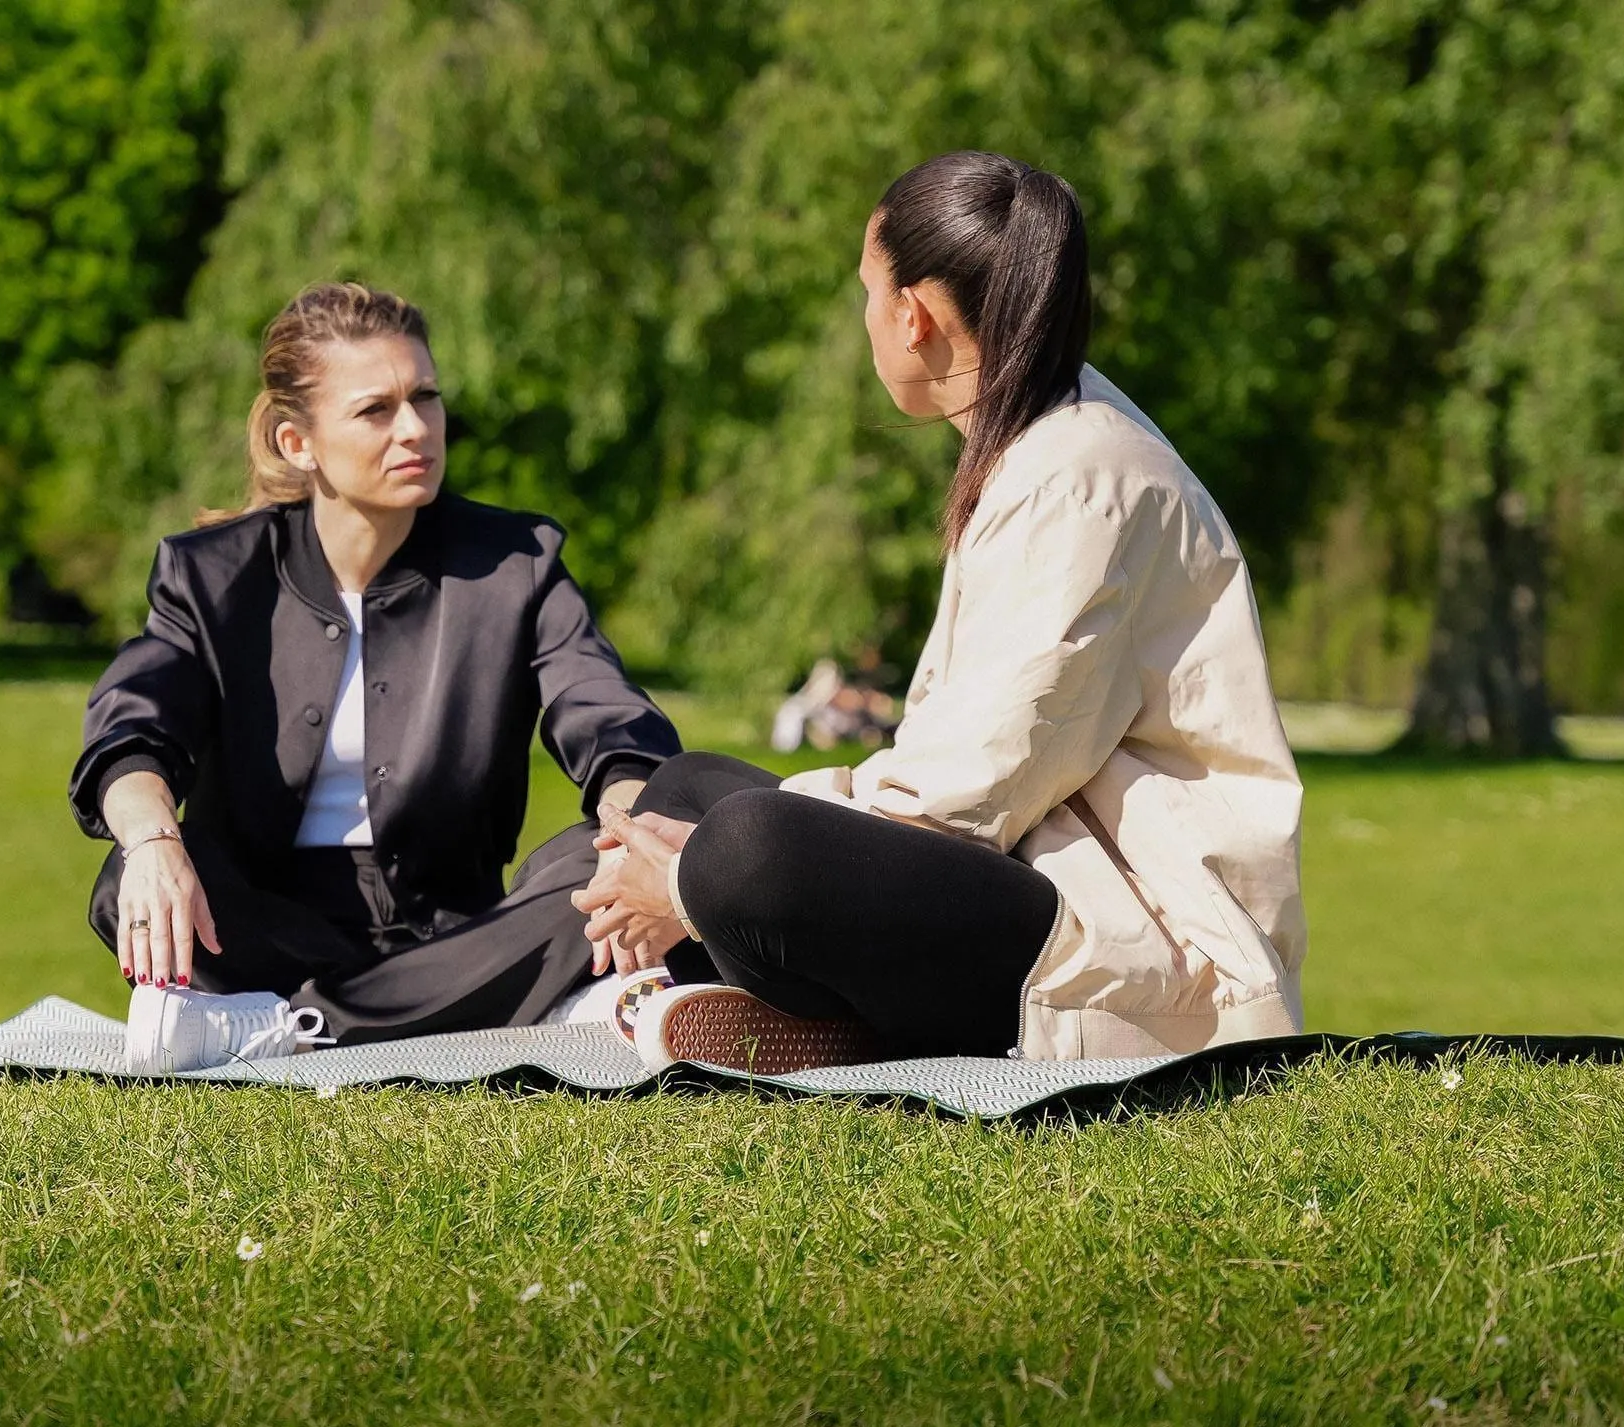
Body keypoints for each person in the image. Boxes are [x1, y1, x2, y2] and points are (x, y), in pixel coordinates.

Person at [573, 151, 1307, 1072]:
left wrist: (683, 878)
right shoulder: (1040, 441)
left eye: (867, 295)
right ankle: (818, 1022)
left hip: (1137, 945)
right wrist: (678, 847)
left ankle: (784, 1005)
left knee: (743, 848)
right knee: (684, 793)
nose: (867, 319)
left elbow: (962, 798)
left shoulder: (1080, 478)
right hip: (1024, 876)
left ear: (911, 315)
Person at [71, 282, 680, 1073]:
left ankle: (286, 1026)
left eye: (426, 398)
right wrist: (154, 841)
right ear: (298, 442)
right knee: (129, 871)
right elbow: (134, 728)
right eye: (376, 410)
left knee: (583, 867)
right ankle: (528, 1009)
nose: (417, 429)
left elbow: (608, 720)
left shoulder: (517, 564)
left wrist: (632, 836)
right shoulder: (211, 575)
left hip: (457, 931)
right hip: (260, 927)